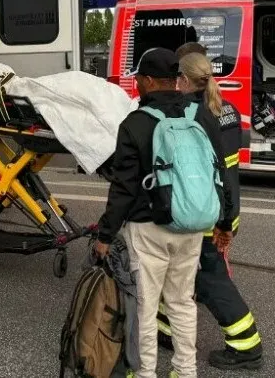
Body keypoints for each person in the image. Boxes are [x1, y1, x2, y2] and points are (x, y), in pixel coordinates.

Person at [95, 47, 233, 378]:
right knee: (182, 302)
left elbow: (124, 188)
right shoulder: (201, 115)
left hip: (148, 227)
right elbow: (221, 173)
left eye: (139, 80)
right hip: (191, 225)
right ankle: (185, 371)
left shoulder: (136, 122)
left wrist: (105, 234)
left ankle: (145, 373)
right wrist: (224, 222)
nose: (137, 86)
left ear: (149, 81)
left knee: (146, 303)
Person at [153, 44, 264, 371]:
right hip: (224, 208)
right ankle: (166, 329)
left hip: (200, 213)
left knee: (209, 280)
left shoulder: (186, 113)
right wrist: (227, 221)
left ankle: (247, 347)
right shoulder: (226, 108)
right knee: (176, 272)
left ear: (183, 80)